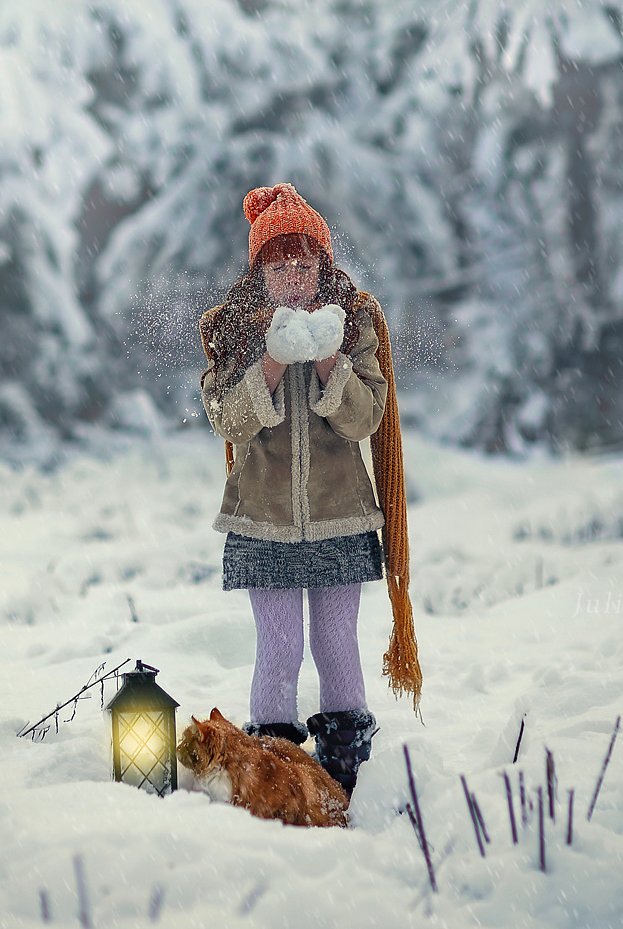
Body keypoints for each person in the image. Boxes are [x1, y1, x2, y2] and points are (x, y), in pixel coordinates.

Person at [199, 183, 420, 799]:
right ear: (260, 272)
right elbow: (228, 421)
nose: (293, 277)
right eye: (279, 265)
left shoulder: (353, 325)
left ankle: (347, 778)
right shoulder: (235, 330)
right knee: (279, 645)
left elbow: (363, 419)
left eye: (304, 263)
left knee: (334, 640)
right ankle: (270, 771)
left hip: (339, 516)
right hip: (262, 519)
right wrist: (269, 363)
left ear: (323, 263)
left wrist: (328, 362)